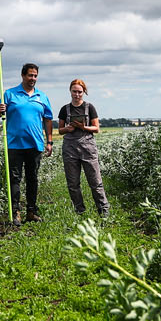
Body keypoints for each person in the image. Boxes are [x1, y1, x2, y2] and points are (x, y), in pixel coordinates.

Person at [0, 62, 53, 223]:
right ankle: (16, 212)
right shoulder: (10, 94)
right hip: (14, 144)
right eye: (30, 75)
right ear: (23, 76)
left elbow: (48, 119)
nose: (33, 78)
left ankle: (31, 212)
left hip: (35, 144)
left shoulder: (42, 96)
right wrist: (0, 110)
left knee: (33, 178)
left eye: (35, 76)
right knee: (15, 179)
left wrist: (50, 141)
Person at [57, 79, 109, 218]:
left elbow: (96, 128)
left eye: (80, 92)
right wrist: (68, 128)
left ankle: (103, 211)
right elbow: (60, 130)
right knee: (73, 183)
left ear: (84, 92)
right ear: (70, 91)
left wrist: (83, 127)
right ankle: (80, 211)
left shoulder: (89, 107)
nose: (77, 94)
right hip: (70, 147)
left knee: (95, 181)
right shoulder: (64, 109)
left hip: (88, 146)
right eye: (74, 91)